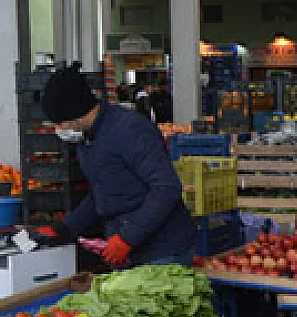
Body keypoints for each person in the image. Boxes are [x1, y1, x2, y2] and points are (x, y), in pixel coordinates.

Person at [31, 64, 196, 267]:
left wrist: (128, 237)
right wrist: (65, 228)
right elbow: (102, 192)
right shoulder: (86, 140)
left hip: (163, 250)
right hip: (128, 248)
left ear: (75, 113)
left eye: (60, 124)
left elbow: (166, 187)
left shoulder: (129, 130)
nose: (58, 130)